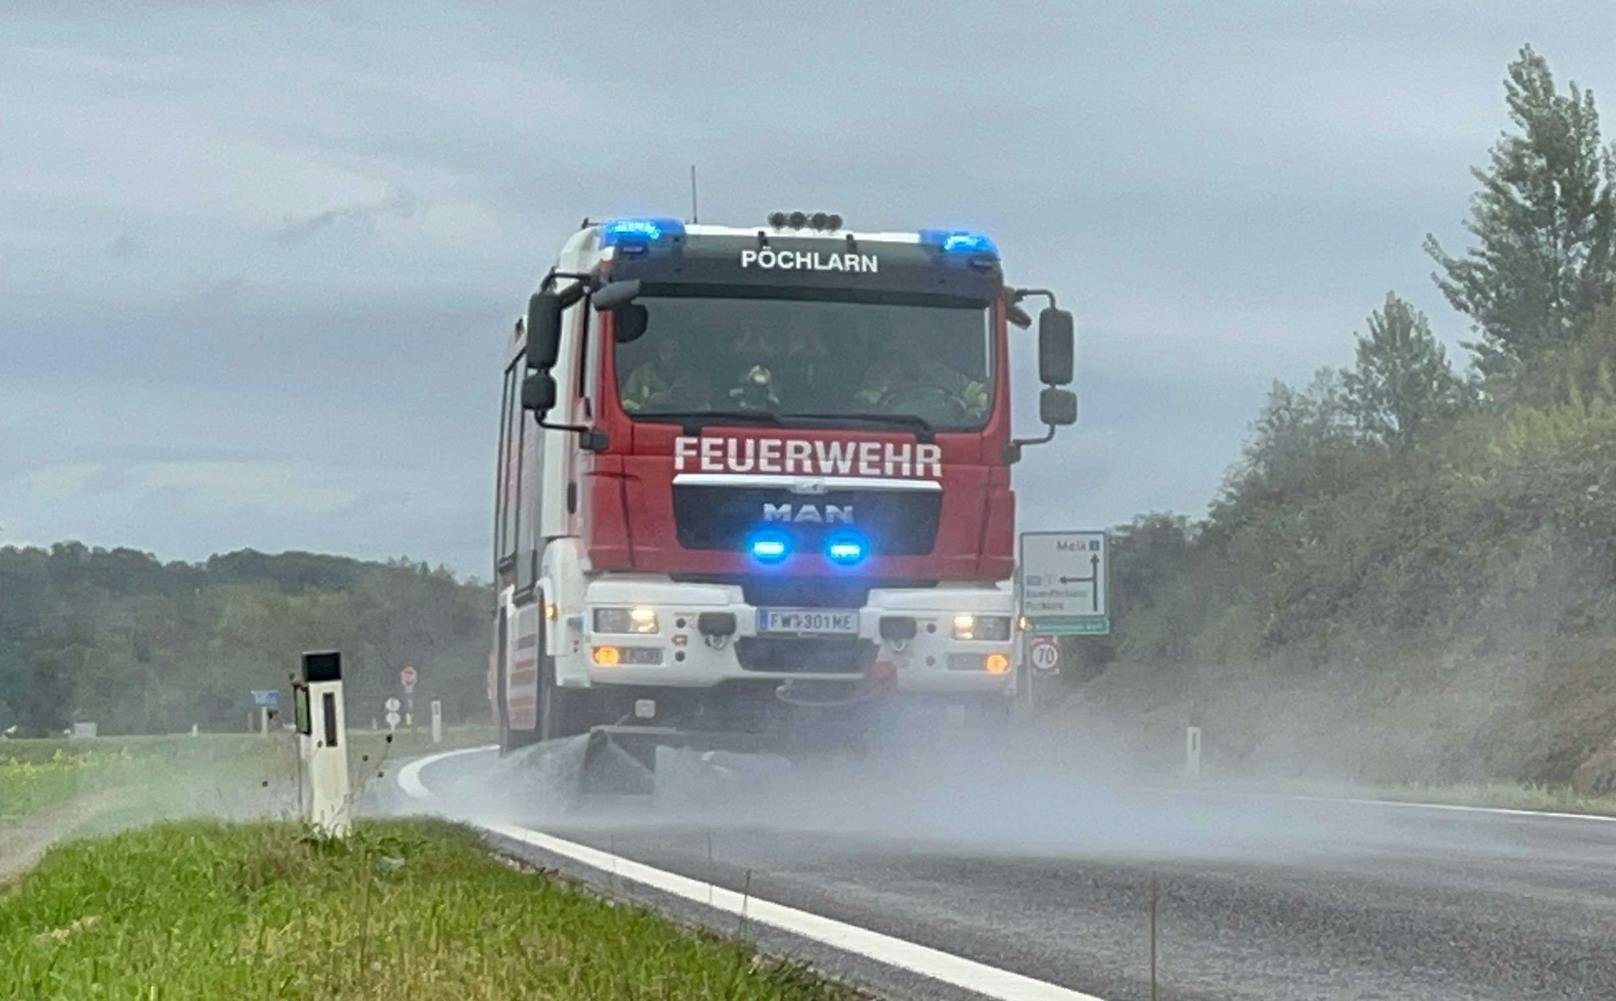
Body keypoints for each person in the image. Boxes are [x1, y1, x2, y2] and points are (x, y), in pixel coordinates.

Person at [854, 338, 990, 420]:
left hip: (945, 429)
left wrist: (978, 407)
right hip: (890, 432)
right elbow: (864, 401)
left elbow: (976, 391)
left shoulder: (936, 371)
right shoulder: (879, 371)